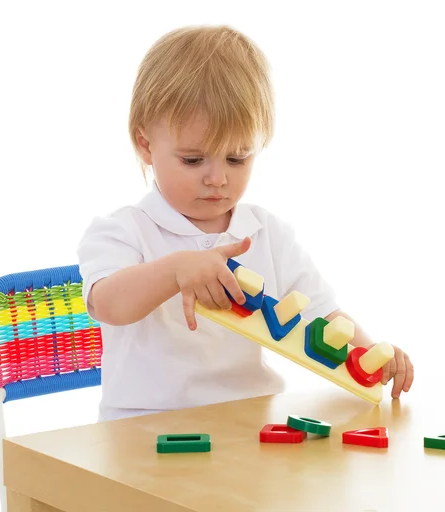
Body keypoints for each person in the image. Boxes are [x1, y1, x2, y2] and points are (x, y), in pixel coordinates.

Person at [77, 24, 414, 421]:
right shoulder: (123, 231)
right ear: (146, 145)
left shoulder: (266, 232)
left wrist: (372, 356)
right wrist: (176, 269)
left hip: (249, 418)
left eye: (237, 159)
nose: (218, 178)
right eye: (193, 160)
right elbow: (109, 304)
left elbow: (324, 314)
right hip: (143, 424)